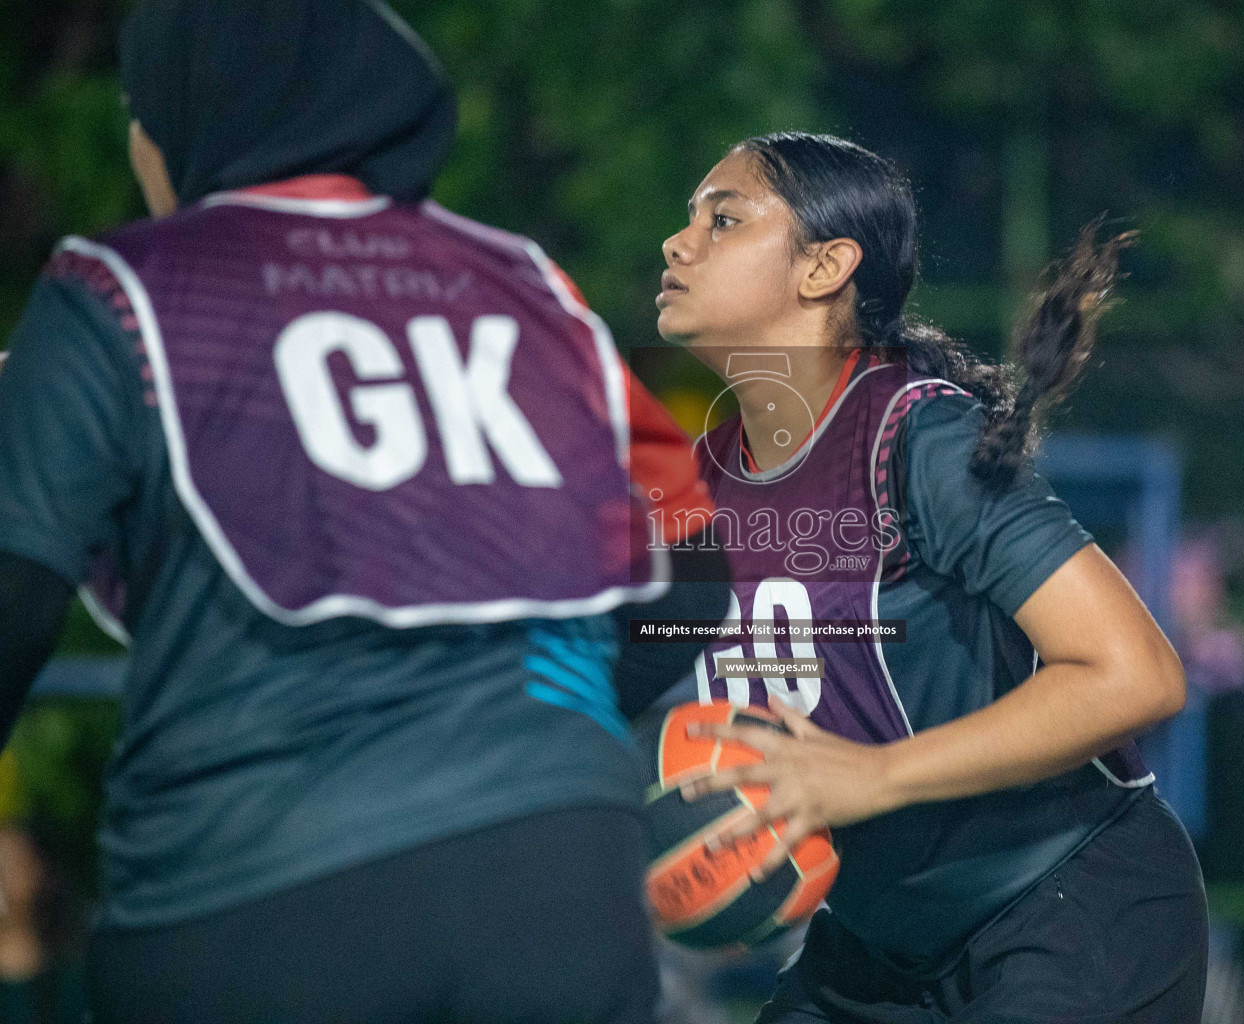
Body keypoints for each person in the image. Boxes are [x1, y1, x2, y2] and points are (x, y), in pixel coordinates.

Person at [0, 1, 728, 1021]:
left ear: (180, 120)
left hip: (263, 895)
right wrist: (550, 711)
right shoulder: (524, 285)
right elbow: (695, 567)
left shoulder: (123, 289)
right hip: (563, 889)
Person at [652, 132, 1207, 1022]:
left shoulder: (917, 440)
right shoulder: (691, 490)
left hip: (1066, 904)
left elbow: (1136, 672)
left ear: (825, 267)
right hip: (878, 947)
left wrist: (873, 776)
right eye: (687, 222)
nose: (679, 244)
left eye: (724, 219)